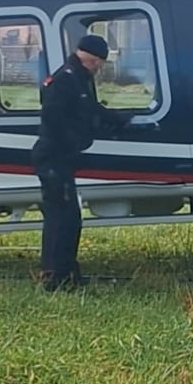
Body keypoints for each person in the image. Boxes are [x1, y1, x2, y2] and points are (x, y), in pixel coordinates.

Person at [33, 33, 133, 291]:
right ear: (89, 56)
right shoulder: (65, 80)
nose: (99, 66)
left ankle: (67, 271)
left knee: (70, 218)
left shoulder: (78, 78)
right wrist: (72, 144)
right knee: (60, 217)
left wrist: (118, 118)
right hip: (54, 157)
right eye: (98, 61)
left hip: (62, 157)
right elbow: (53, 118)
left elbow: (89, 109)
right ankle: (54, 276)